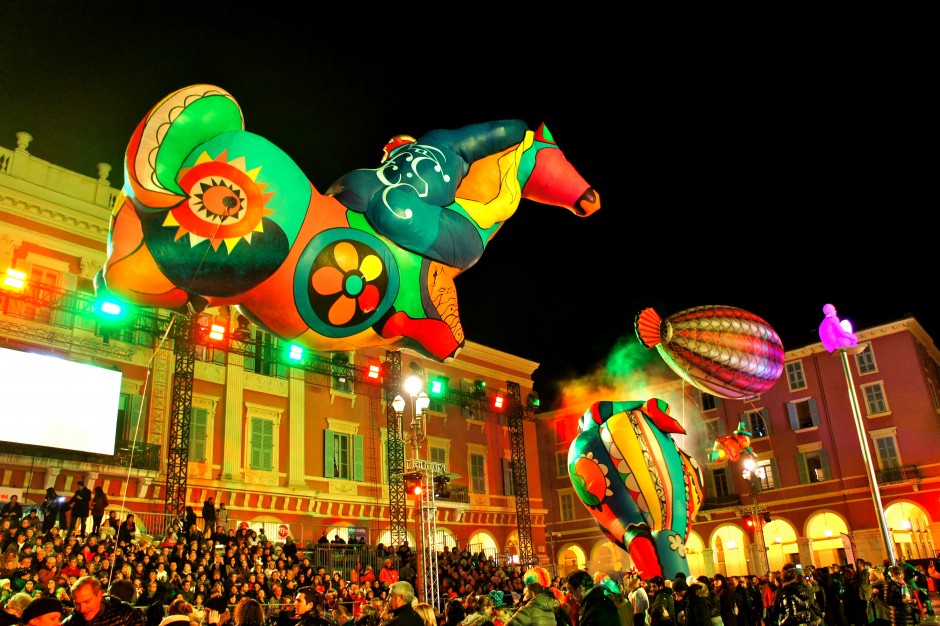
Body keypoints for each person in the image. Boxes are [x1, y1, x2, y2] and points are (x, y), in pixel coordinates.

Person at [63, 575, 143, 626]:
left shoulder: (125, 613)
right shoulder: (72, 622)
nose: (82, 609)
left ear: (99, 595)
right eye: (77, 604)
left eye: (87, 601)